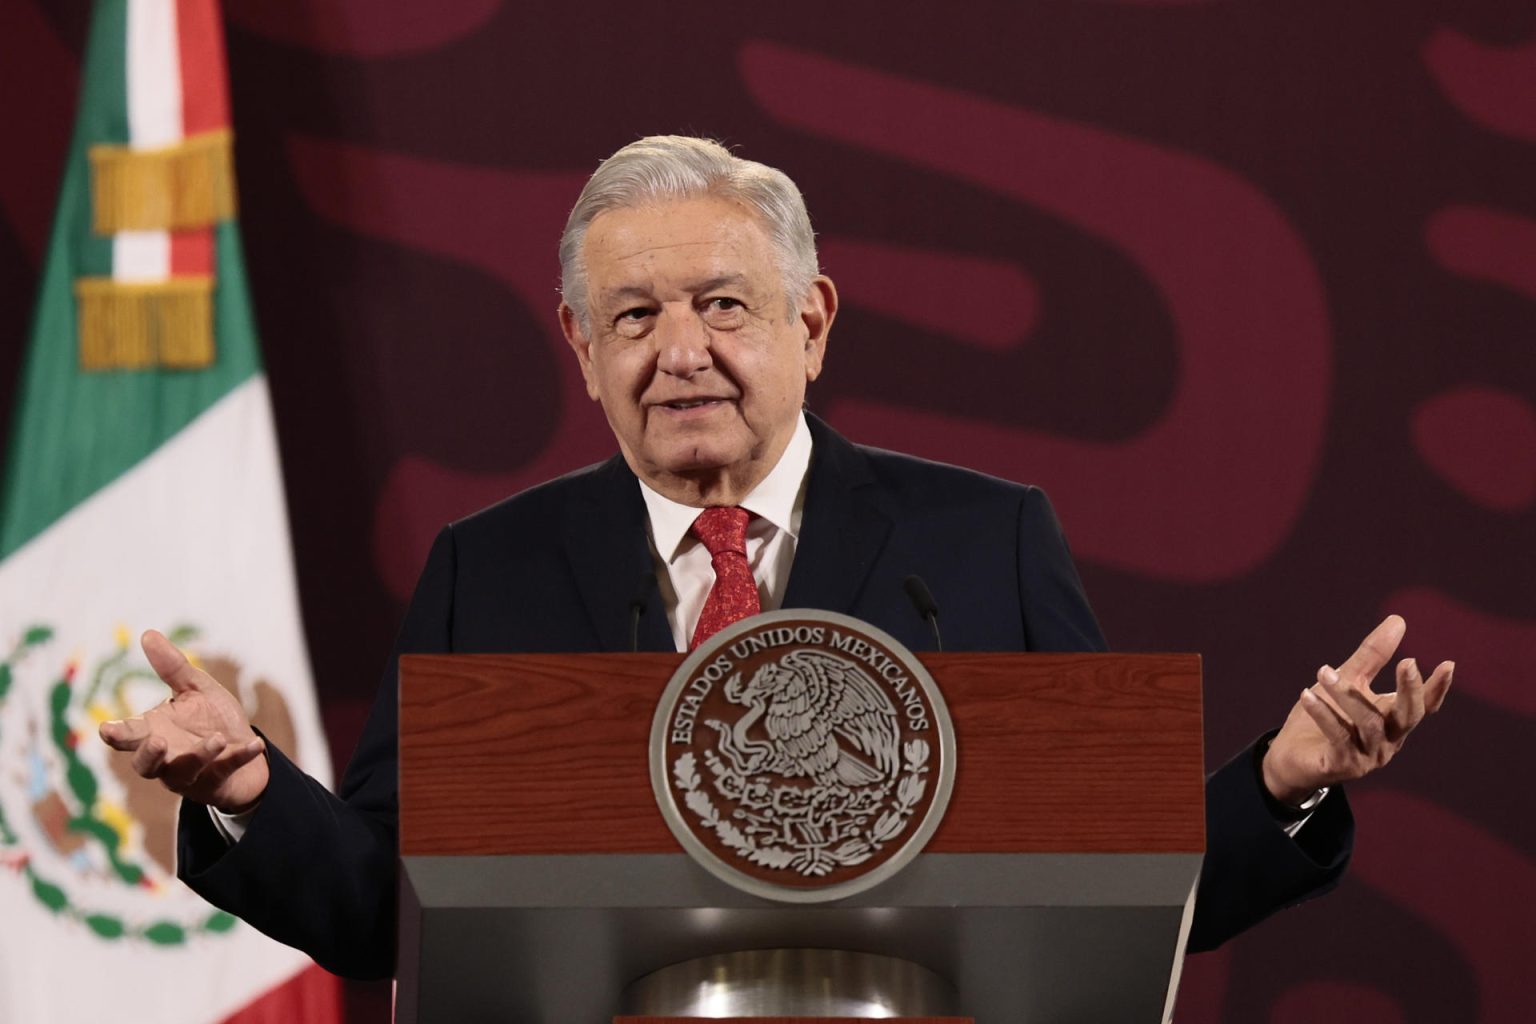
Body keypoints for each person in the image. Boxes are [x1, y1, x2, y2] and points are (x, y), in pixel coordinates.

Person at [100, 136, 1453, 981]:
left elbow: (1120, 873)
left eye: (723, 306)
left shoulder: (982, 541)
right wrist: (248, 787)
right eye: (631, 315)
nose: (679, 349)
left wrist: (1280, 784)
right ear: (580, 353)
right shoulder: (487, 570)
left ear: (811, 322)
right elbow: (382, 910)